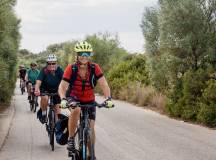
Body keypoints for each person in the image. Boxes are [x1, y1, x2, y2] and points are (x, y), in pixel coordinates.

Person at [58, 41, 114, 159]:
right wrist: (63, 99)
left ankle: (90, 154)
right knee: (76, 110)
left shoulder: (94, 67)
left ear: (90, 55)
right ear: (77, 55)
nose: (84, 56)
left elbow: (104, 84)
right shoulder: (71, 68)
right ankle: (71, 139)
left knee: (91, 127)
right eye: (81, 53)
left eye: (87, 53)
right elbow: (62, 86)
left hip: (89, 100)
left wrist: (108, 98)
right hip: (73, 97)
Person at [35, 54, 64, 124]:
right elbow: (38, 81)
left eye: (53, 63)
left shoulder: (59, 70)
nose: (51, 65)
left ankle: (57, 130)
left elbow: (65, 81)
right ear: (47, 64)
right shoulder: (44, 70)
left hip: (56, 91)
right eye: (49, 63)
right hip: (45, 89)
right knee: (45, 98)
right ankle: (44, 114)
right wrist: (37, 89)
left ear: (56, 63)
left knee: (58, 114)